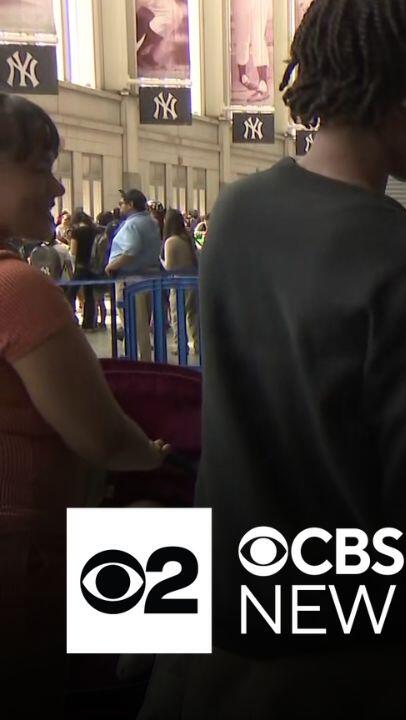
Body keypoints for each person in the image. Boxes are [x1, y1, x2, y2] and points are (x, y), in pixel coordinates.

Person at [139, 1, 406, 716]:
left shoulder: (236, 213)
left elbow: (314, 339)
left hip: (212, 621)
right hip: (337, 651)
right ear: (403, 108)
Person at [0, 91, 168, 703]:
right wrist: (156, 456)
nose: (57, 188)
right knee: (164, 536)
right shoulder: (19, 290)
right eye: (39, 168)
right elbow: (102, 438)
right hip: (32, 572)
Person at [107, 188, 164, 361]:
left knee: (134, 325)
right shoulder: (151, 222)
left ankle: (140, 361)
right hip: (149, 277)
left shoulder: (132, 225)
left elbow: (131, 250)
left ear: (130, 204)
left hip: (131, 280)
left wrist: (111, 266)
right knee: (142, 325)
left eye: (122, 203)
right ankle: (140, 358)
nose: (120, 206)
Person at [161, 208, 199, 355]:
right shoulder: (187, 238)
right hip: (193, 280)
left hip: (178, 282)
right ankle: (198, 344)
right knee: (193, 314)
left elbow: (169, 267)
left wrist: (160, 260)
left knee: (177, 315)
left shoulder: (170, 241)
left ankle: (180, 345)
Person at [67, 210, 98, 329]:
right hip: (92, 266)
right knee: (89, 295)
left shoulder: (77, 232)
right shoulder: (94, 231)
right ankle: (88, 323)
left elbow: (73, 251)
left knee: (71, 294)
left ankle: (71, 320)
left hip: (80, 266)